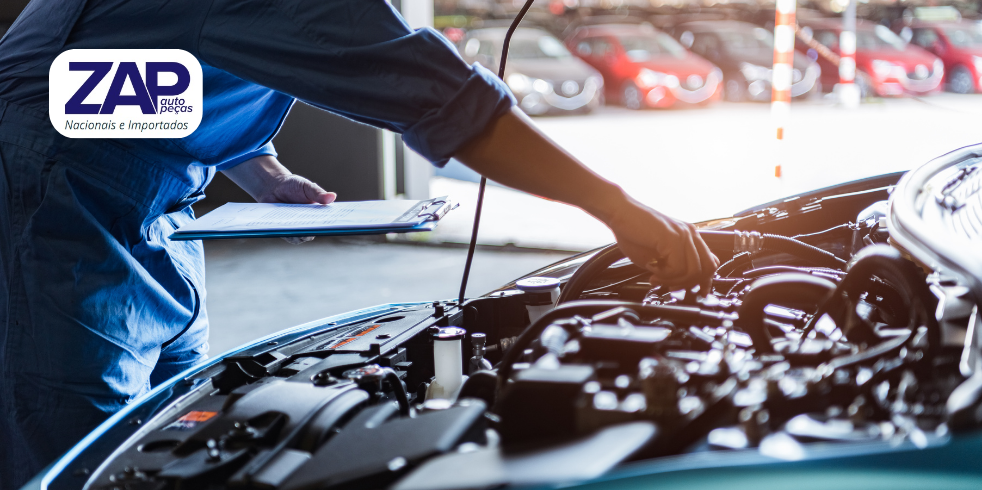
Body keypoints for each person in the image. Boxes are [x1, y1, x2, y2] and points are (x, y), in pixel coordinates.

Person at [0, 0, 717, 486]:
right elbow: (452, 106)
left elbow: (153, 62)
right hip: (52, 195)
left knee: (176, 427)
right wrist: (620, 209)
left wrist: (259, 166)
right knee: (82, 453)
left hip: (137, 193)